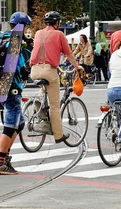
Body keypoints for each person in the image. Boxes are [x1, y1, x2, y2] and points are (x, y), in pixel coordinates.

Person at [30, 11, 84, 144]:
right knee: (54, 106)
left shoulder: (38, 33)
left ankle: (38, 103)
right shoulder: (59, 34)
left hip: (34, 70)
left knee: (43, 89)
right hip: (49, 70)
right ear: (57, 23)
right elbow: (69, 54)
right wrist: (77, 67)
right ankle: (58, 135)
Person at [0, 12, 33, 174]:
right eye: (27, 26)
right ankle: (0, 161)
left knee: (19, 123)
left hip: (3, 85)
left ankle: (5, 157)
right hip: (10, 86)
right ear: (23, 26)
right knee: (11, 122)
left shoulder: (3, 36)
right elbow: (18, 67)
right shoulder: (16, 41)